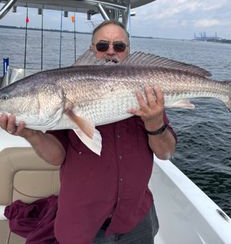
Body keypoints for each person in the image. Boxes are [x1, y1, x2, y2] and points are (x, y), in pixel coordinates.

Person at [0, 20, 177, 244]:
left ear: (128, 52)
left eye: (119, 47)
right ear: (92, 50)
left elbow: (166, 153)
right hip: (83, 223)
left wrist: (154, 121)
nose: (110, 51)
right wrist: (30, 133)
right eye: (103, 46)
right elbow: (57, 158)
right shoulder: (63, 91)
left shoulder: (147, 90)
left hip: (137, 219)